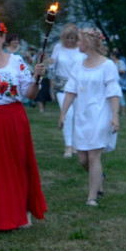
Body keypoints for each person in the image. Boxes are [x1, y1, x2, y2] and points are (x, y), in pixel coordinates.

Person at [0, 19, 48, 231]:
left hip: (14, 118)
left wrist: (37, 79)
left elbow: (29, 94)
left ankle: (21, 212)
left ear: (3, 38)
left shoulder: (16, 61)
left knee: (17, 164)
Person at [58, 29, 121, 207]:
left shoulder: (107, 65)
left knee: (94, 156)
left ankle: (92, 197)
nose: (77, 44)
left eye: (79, 41)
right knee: (83, 159)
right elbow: (70, 91)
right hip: (82, 115)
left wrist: (115, 116)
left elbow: (113, 92)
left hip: (101, 114)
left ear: (88, 42)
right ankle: (99, 177)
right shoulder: (79, 66)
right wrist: (63, 114)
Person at [50, 23, 84, 157]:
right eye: (67, 38)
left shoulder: (81, 49)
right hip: (62, 86)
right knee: (68, 114)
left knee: (78, 115)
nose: (70, 41)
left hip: (79, 85)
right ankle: (68, 146)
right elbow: (52, 66)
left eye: (72, 38)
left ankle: (76, 144)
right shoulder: (58, 48)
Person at [110, 47, 126, 117]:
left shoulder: (121, 62)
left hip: (121, 82)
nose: (110, 57)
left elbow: (124, 71)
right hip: (114, 81)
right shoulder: (111, 63)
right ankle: (114, 111)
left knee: (121, 96)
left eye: (111, 55)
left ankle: (123, 112)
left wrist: (115, 71)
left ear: (114, 56)